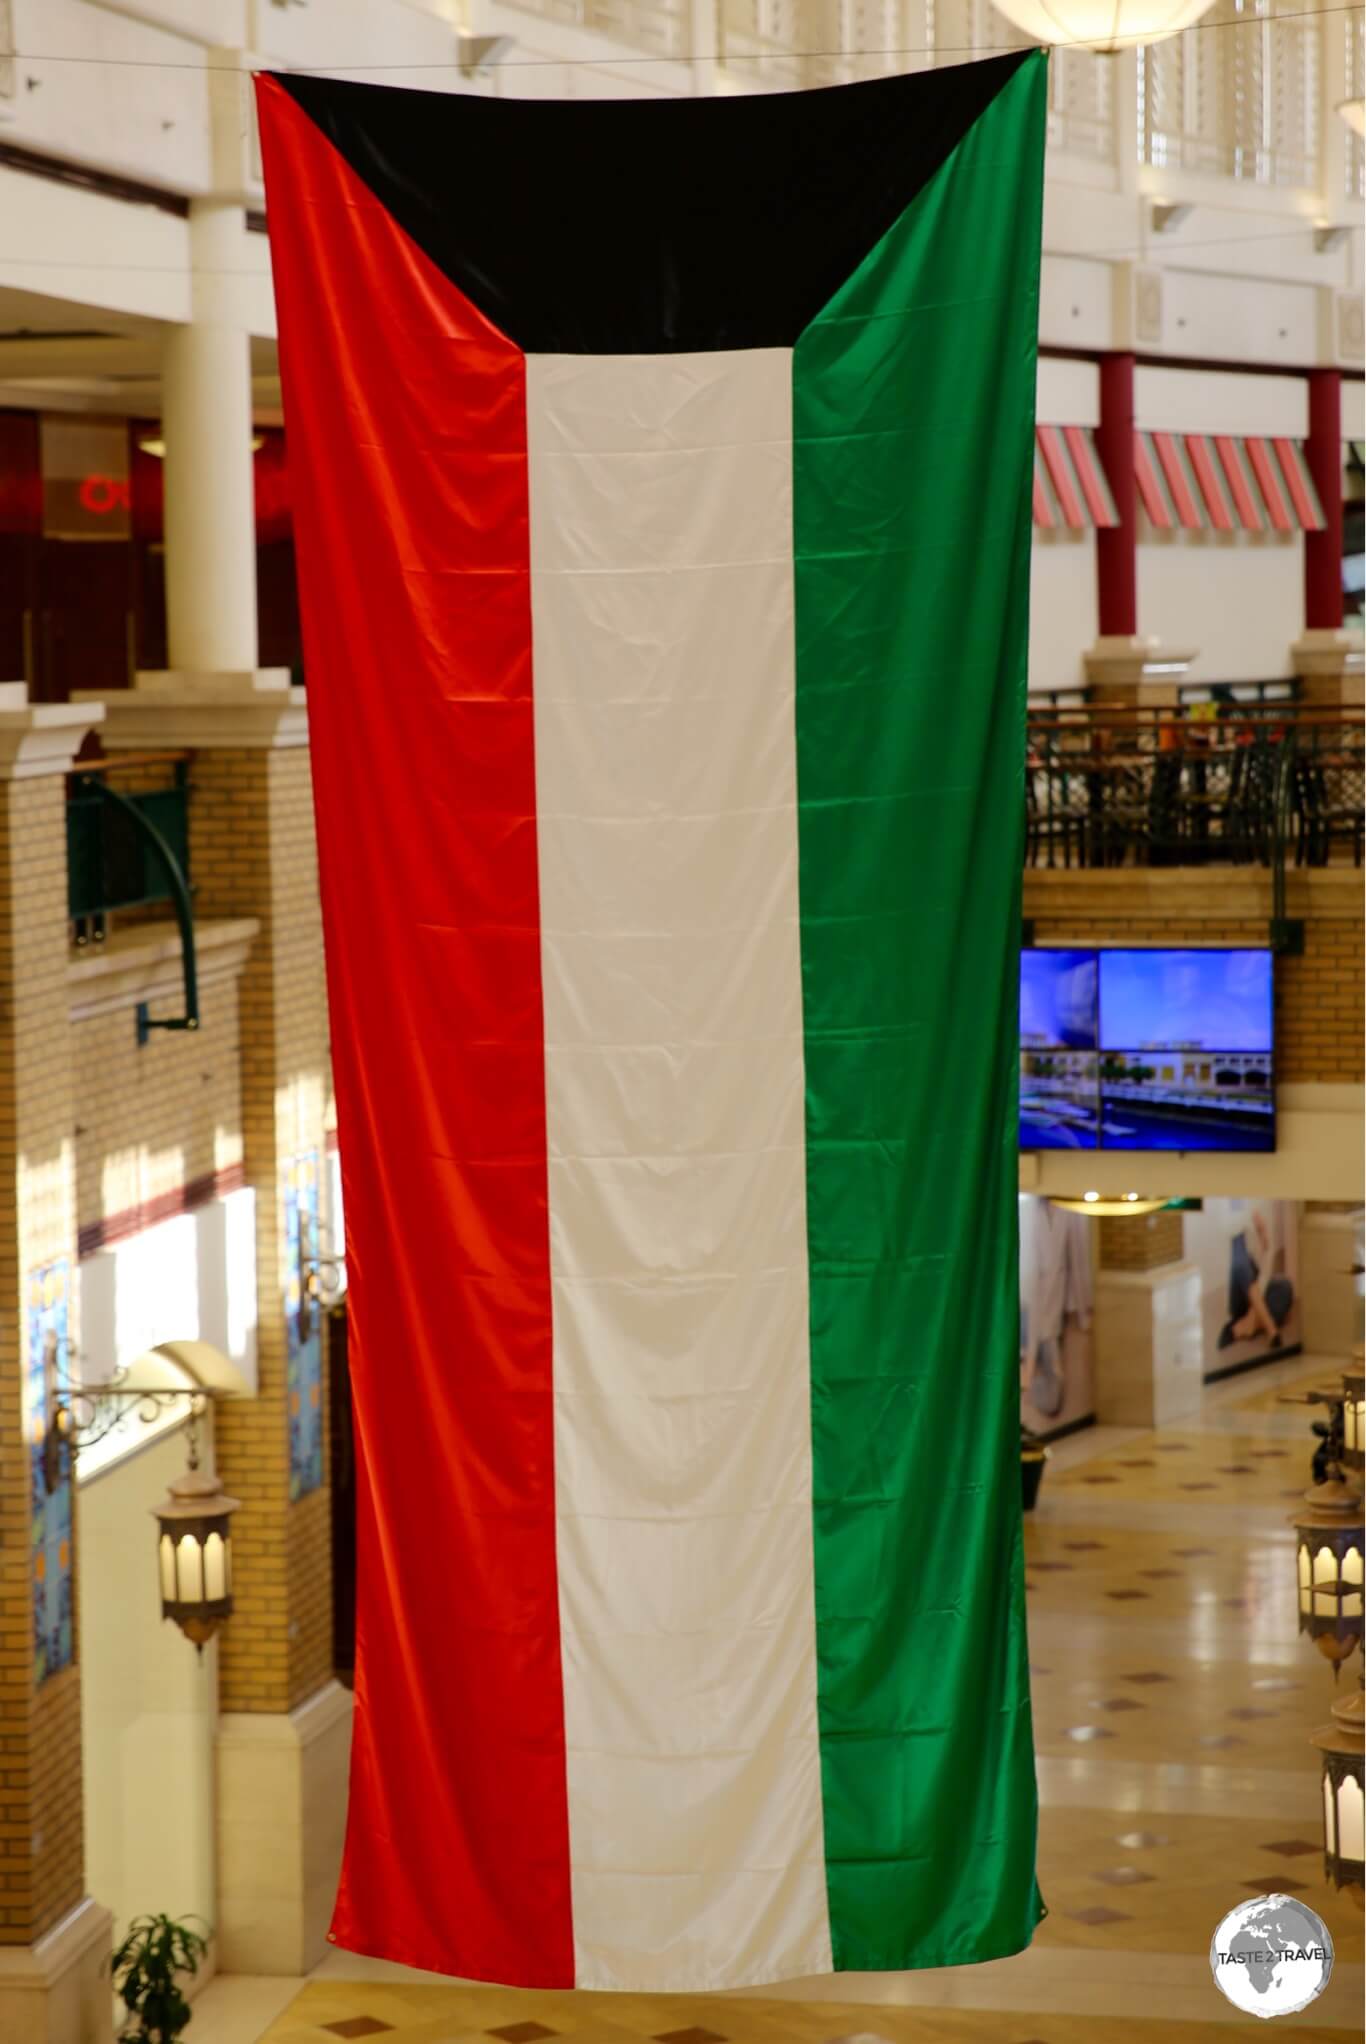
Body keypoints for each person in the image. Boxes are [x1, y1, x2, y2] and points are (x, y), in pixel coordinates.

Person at [1218, 1202, 1294, 1349]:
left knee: (1285, 1286)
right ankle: (1269, 1327)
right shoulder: (1234, 1230)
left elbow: (1263, 1279)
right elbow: (1240, 1265)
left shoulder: (1258, 1231)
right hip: (1240, 1296)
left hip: (1257, 1296)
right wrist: (1251, 1217)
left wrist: (1264, 1241)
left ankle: (1247, 1325)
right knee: (1241, 1265)